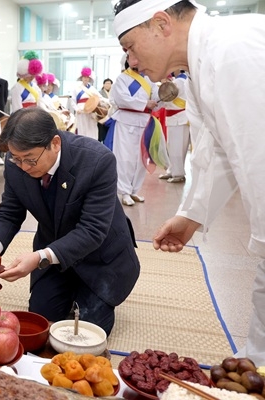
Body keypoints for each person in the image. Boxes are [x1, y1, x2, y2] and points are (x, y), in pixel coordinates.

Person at [113, 0, 265, 365]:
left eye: (131, 47)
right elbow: (217, 153)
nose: (131, 61)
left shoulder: (232, 50)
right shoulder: (199, 65)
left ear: (162, 23)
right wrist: (191, 216)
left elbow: (256, 155)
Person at [0, 107, 140, 335]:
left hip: (100, 257)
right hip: (53, 251)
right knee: (40, 320)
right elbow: (9, 212)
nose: (23, 167)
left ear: (55, 143)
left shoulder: (97, 160)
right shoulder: (16, 163)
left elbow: (92, 230)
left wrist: (39, 257)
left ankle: (88, 296)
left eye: (30, 160)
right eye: (17, 158)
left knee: (87, 331)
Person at [109, 66, 160, 206]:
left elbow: (156, 97)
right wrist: (145, 103)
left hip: (145, 122)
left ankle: (134, 190)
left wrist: (162, 97)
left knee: (141, 157)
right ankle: (124, 191)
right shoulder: (122, 78)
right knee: (125, 157)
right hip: (126, 121)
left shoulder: (148, 79)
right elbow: (122, 99)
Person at [158, 70, 189, 183]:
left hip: (179, 118)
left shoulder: (181, 81)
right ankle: (173, 170)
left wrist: (164, 83)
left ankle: (178, 174)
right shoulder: (177, 80)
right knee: (172, 146)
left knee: (178, 147)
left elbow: (166, 96)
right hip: (174, 117)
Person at [73, 67, 101, 140]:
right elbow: (72, 101)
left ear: (89, 78)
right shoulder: (76, 88)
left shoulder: (93, 89)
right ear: (82, 78)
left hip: (91, 111)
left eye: (87, 77)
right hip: (81, 111)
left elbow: (99, 98)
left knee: (92, 128)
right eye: (84, 77)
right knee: (82, 129)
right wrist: (76, 109)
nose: (85, 79)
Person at [97, 78, 113, 143]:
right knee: (101, 132)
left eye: (109, 84)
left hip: (110, 115)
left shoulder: (113, 93)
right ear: (103, 85)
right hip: (102, 115)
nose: (108, 85)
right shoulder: (99, 93)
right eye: (106, 83)